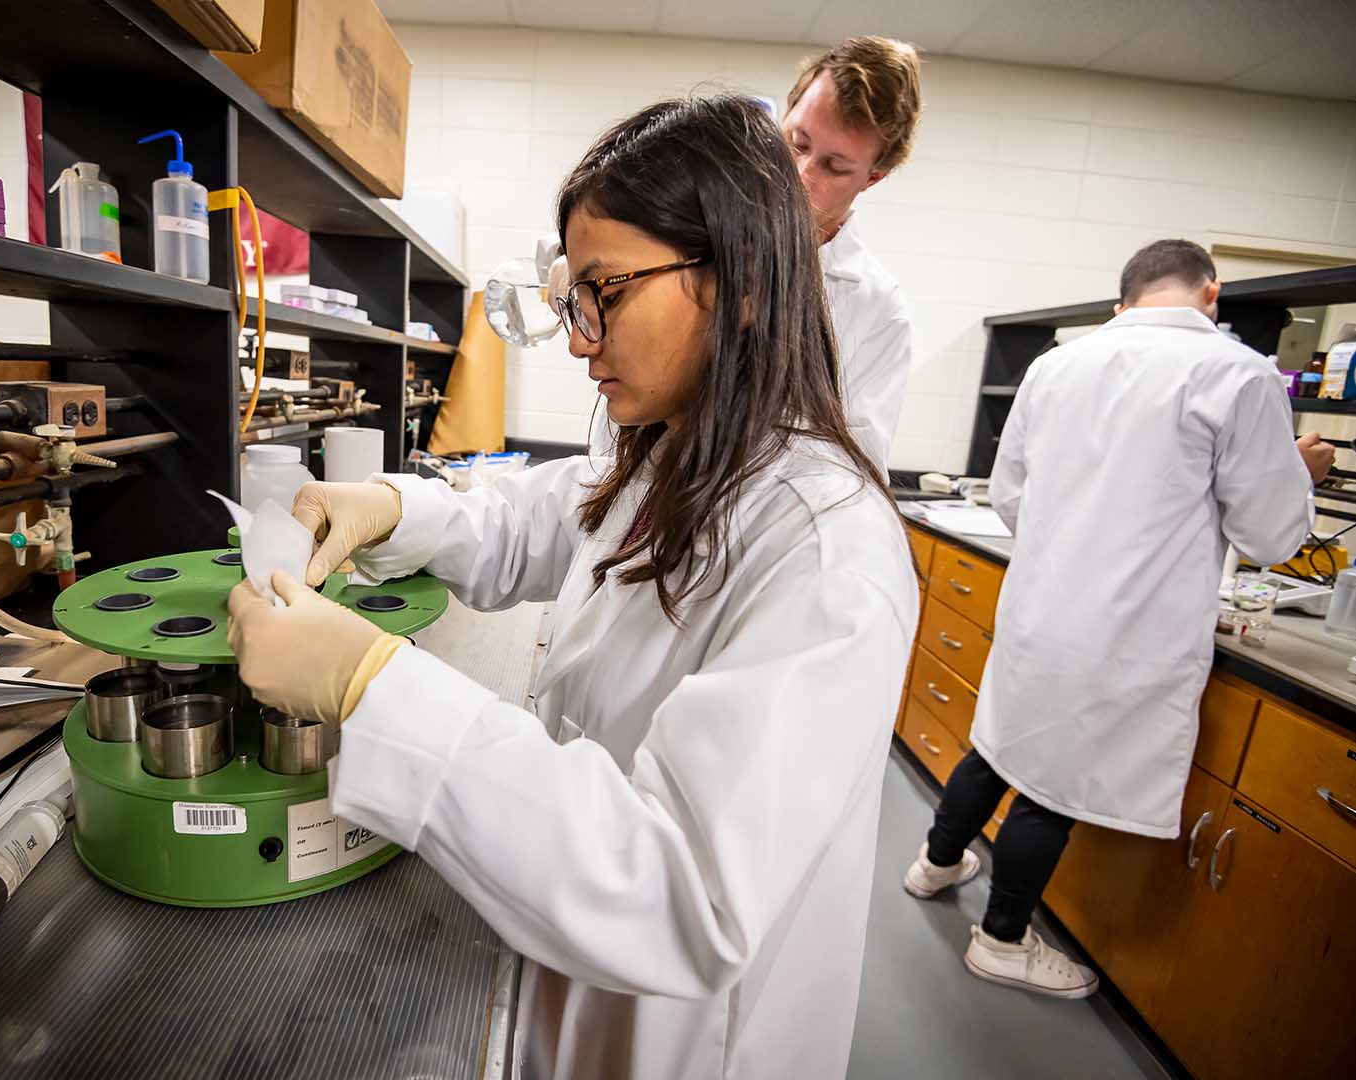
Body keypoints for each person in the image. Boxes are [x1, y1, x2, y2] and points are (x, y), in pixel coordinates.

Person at [227, 96, 917, 1080]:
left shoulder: (825, 553)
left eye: (607, 292)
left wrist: (370, 684)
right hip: (570, 975)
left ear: (742, 282)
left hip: (683, 1044)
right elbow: (540, 517)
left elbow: (683, 895)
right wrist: (388, 505)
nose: (580, 337)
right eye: (572, 297)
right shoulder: (679, 452)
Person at [901, 239, 1325, 997]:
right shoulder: (1238, 372)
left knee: (998, 748)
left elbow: (1009, 494)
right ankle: (1000, 940)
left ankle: (934, 866)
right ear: (1211, 295)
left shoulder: (1055, 365)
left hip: (1039, 605)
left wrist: (1071, 549)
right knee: (1052, 788)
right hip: (1125, 629)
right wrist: (1300, 472)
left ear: (1122, 300)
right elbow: (1268, 534)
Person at [586, 35, 920, 473]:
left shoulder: (875, 308)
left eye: (833, 167)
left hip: (757, 527)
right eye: (798, 143)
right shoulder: (702, 227)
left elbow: (854, 467)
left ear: (872, 178)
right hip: (625, 490)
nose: (800, 174)